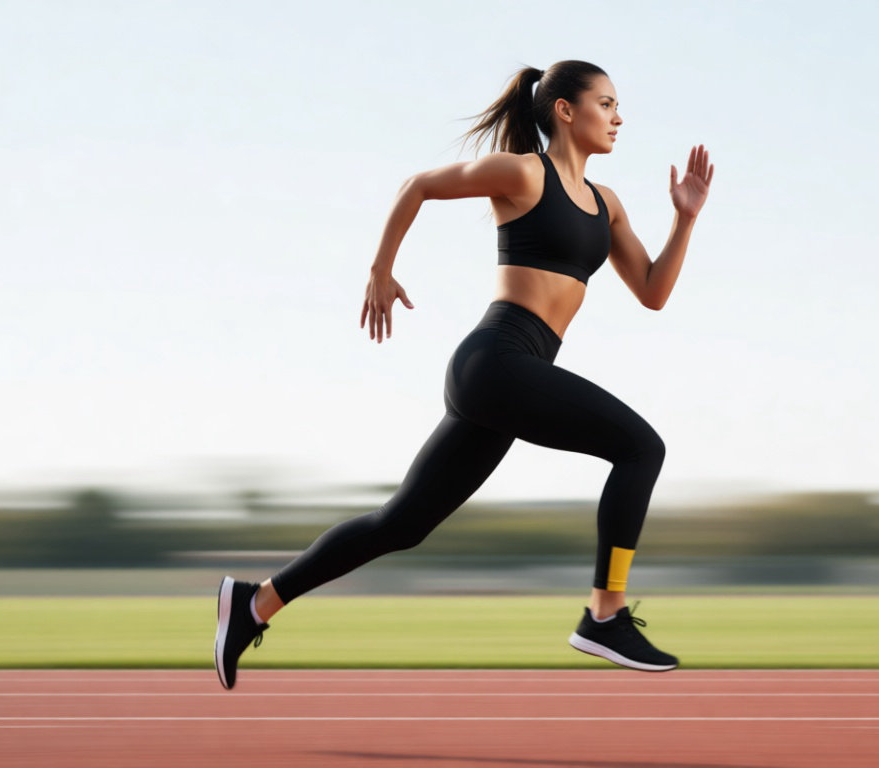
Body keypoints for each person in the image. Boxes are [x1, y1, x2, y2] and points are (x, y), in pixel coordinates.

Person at [215, 59, 713, 688]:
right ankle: (605, 611)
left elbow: (651, 290)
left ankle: (252, 605)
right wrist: (380, 268)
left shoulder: (606, 204)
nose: (619, 117)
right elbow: (419, 184)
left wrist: (685, 218)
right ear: (565, 110)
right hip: (496, 362)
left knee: (401, 524)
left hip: (513, 374)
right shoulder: (524, 172)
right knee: (641, 447)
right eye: (606, 104)